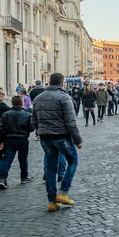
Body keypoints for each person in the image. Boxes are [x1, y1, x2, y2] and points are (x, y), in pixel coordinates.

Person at [32, 73, 83, 213]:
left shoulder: (37, 98)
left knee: (51, 169)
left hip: (45, 138)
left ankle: (52, 202)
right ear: (62, 84)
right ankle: (63, 192)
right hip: (61, 137)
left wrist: (42, 130)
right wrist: (78, 140)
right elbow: (71, 122)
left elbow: (34, 121)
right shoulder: (64, 97)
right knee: (72, 161)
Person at [0, 96, 35, 188]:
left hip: (9, 139)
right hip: (22, 139)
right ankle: (24, 177)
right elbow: (31, 128)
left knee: (7, 158)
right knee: (23, 158)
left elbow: (0, 129)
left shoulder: (5, 114)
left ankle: (2, 177)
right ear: (22, 103)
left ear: (12, 103)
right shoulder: (27, 114)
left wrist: (0, 141)